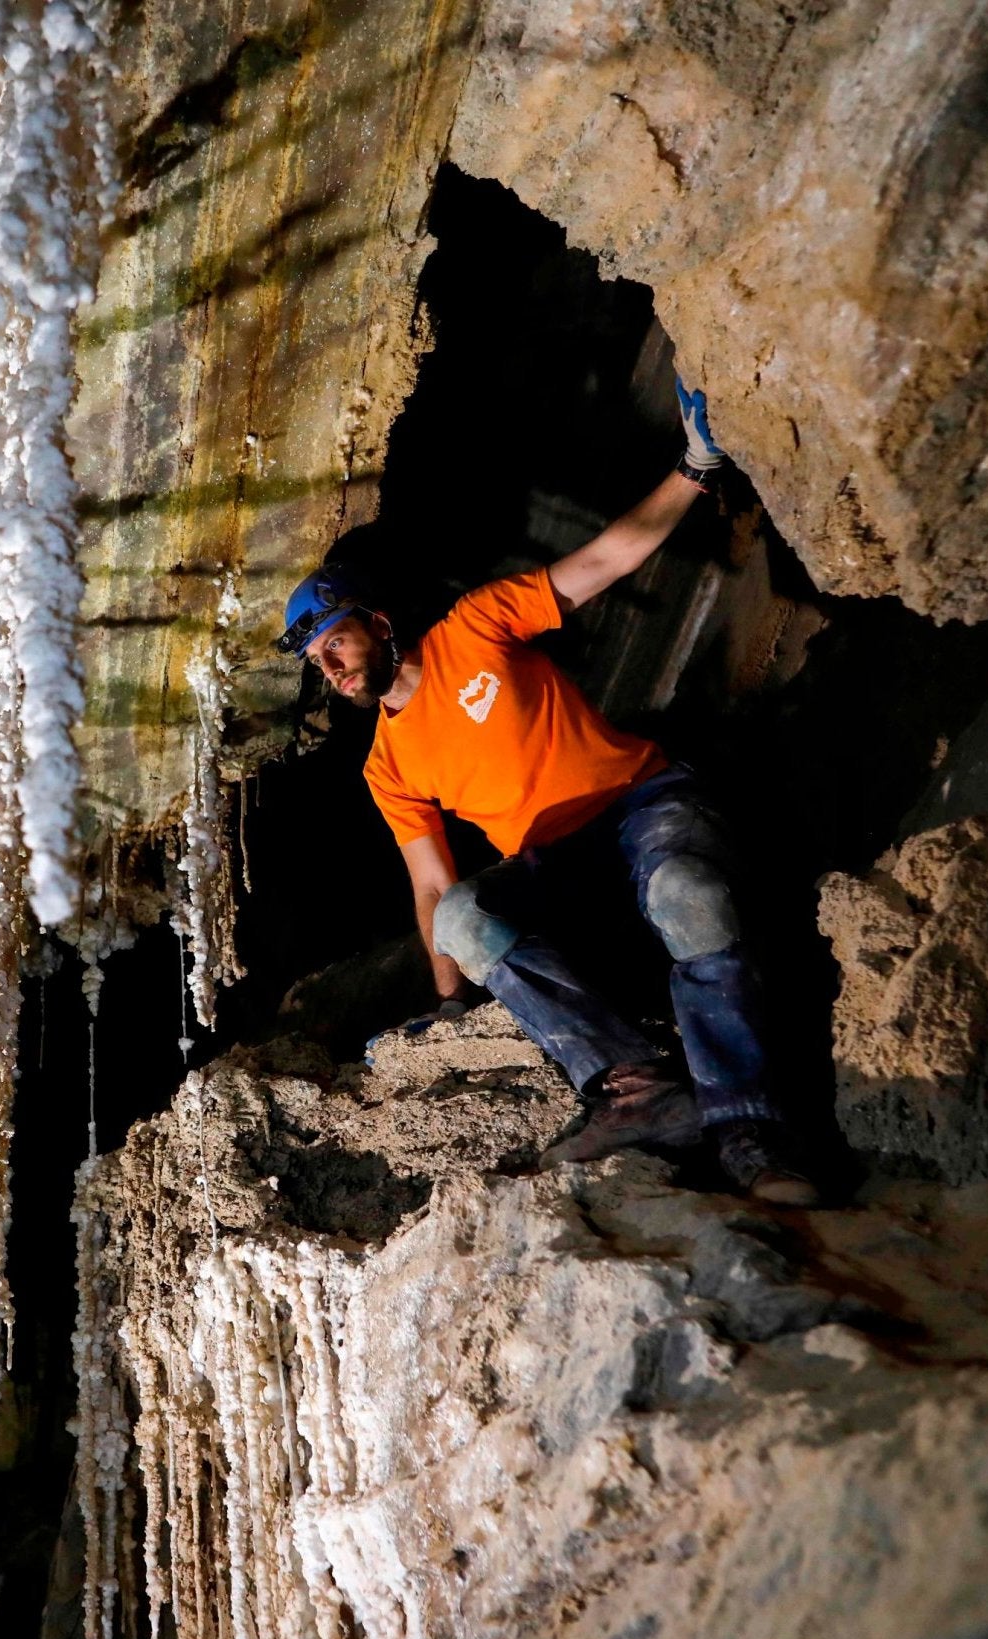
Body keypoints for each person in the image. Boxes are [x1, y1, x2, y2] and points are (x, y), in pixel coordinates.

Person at [278, 379, 818, 1204]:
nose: (332, 664)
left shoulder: (476, 627)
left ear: (378, 624)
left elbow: (604, 559)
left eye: (337, 640)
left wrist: (696, 466)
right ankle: (638, 1091)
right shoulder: (387, 764)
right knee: (462, 916)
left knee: (689, 891)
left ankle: (749, 1125)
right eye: (317, 657)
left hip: (644, 803)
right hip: (556, 866)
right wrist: (451, 1000)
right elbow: (432, 884)